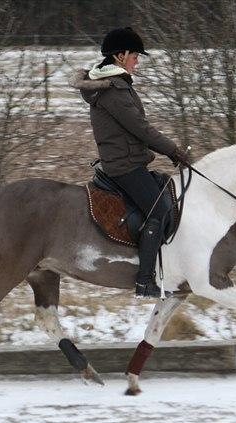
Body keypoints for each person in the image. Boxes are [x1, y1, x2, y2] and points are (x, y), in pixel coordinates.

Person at [70, 27, 190, 298]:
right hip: (124, 166)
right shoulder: (114, 91)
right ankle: (144, 280)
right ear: (121, 55)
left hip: (128, 160)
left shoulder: (116, 86)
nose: (138, 61)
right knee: (159, 211)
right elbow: (141, 129)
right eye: (135, 55)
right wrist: (174, 151)